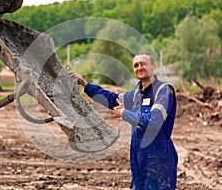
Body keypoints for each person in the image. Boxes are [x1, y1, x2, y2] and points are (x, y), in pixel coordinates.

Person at [69, 52, 178, 190]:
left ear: (153, 66)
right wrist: (85, 84)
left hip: (159, 159)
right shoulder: (135, 95)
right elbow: (109, 98)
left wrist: (125, 113)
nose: (139, 68)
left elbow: (154, 121)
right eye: (136, 65)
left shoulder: (163, 91)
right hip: (138, 156)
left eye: (143, 64)